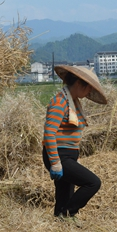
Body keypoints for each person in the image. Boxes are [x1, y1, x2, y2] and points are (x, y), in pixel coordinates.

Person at [42, 65, 108, 223]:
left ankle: (61, 217)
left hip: (68, 156)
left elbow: (72, 135)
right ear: (79, 83)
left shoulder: (74, 103)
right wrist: (56, 162)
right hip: (59, 155)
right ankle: (68, 213)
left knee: (65, 192)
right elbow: (49, 132)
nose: (88, 93)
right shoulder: (60, 102)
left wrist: (75, 157)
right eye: (88, 89)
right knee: (93, 183)